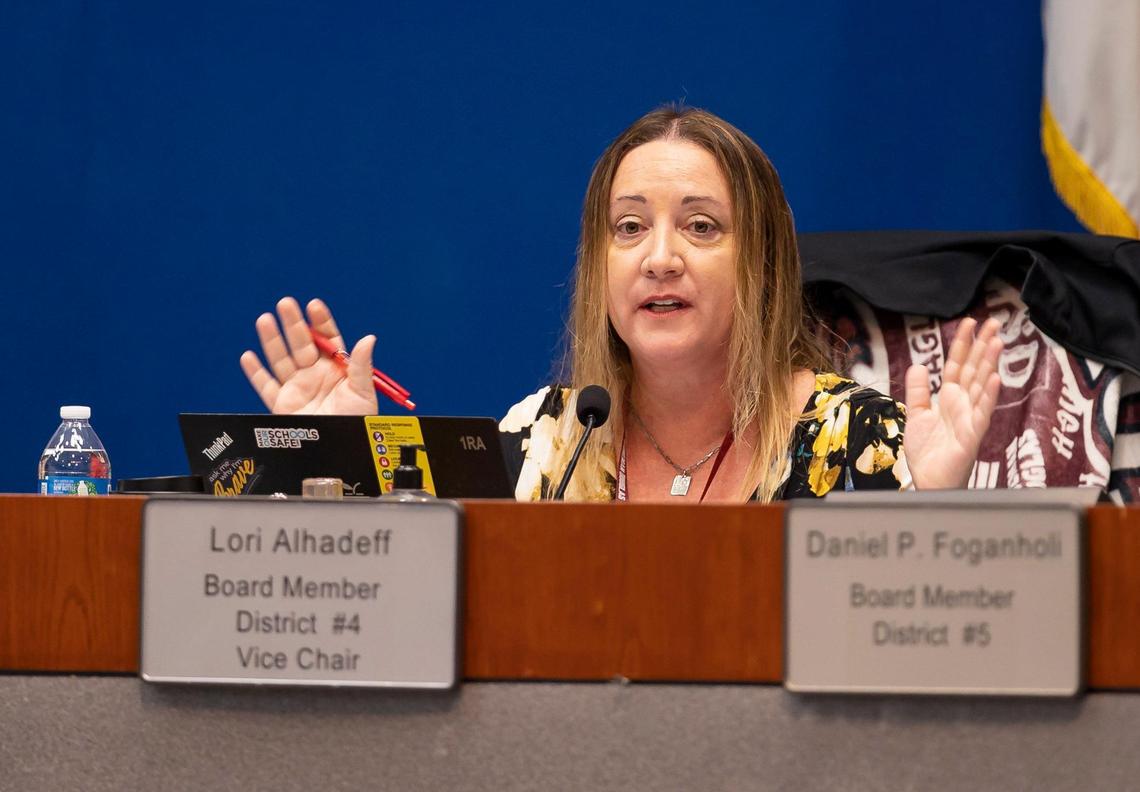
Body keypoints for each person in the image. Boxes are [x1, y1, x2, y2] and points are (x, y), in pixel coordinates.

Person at [240, 106, 1002, 503]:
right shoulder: (540, 440)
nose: (659, 257)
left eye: (701, 227)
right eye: (628, 227)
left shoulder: (859, 441)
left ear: (764, 265)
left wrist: (929, 507)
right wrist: (340, 460)